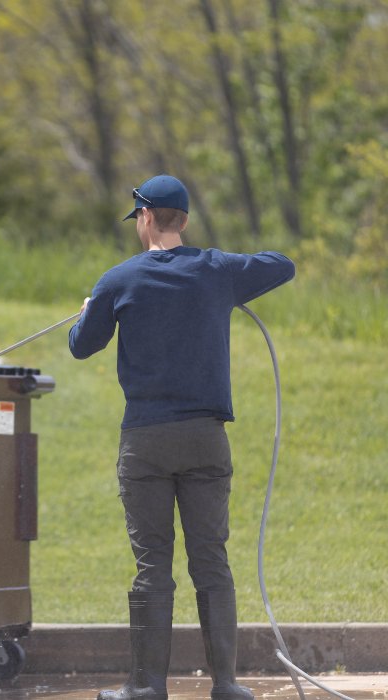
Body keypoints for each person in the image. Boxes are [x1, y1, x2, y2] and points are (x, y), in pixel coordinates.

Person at [68, 174, 295, 700]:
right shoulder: (218, 270)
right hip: (204, 440)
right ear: (184, 220)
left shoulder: (117, 281)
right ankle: (227, 684)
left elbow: (82, 346)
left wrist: (86, 312)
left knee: (154, 564)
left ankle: (145, 687)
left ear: (145, 218)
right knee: (211, 560)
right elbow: (283, 264)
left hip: (145, 441)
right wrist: (226, 281)